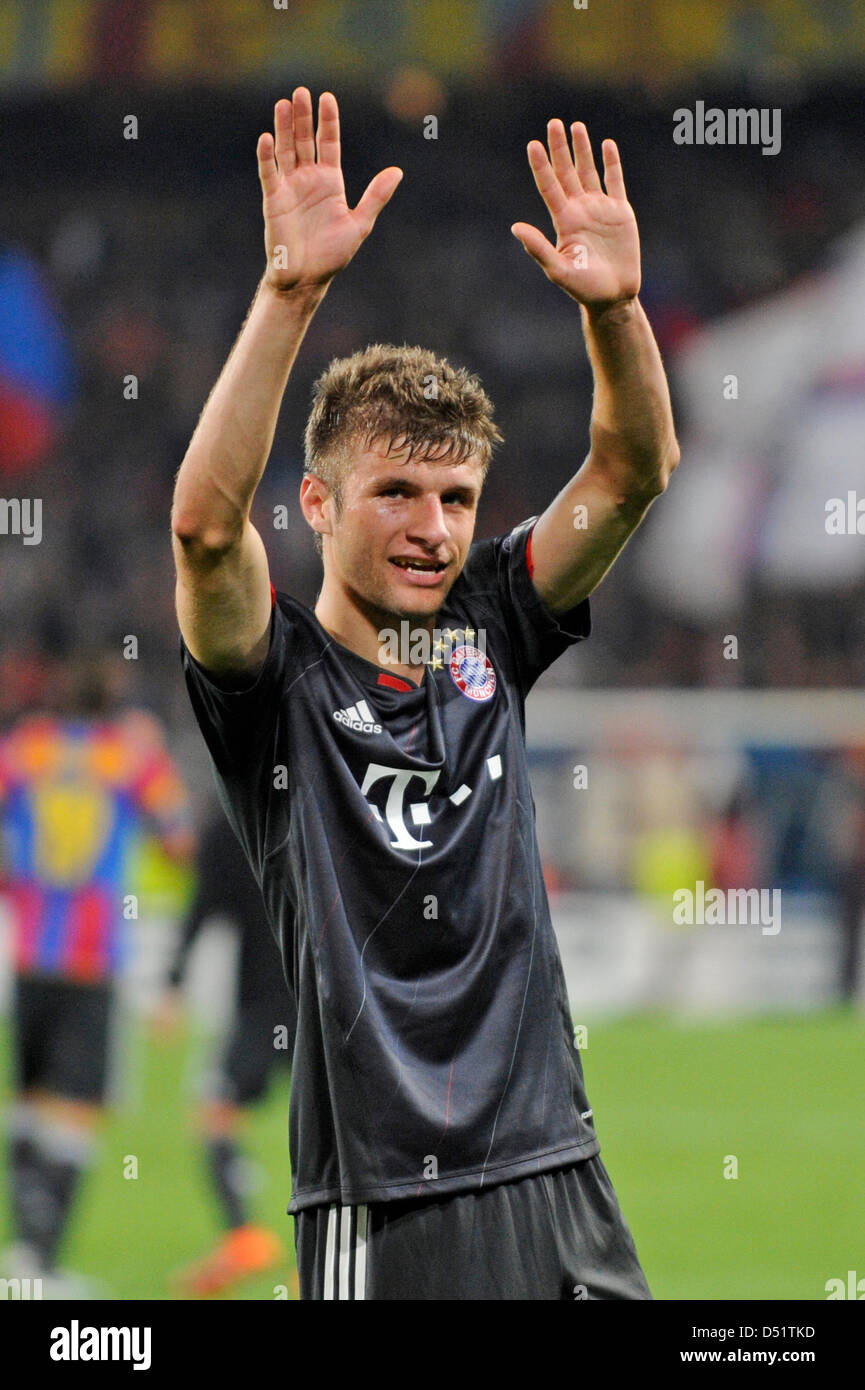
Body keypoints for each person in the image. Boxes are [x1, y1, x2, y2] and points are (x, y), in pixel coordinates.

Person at [171, 88, 679, 1300]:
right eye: (396, 490)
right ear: (320, 502)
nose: (433, 527)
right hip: (385, 1208)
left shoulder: (491, 629)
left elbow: (635, 466)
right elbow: (201, 529)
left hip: (559, 1173)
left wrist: (613, 312)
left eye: (456, 499)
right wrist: (288, 296)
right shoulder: (273, 684)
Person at [0, 654, 194, 1296]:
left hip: (29, 955)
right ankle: (39, 1262)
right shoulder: (129, 759)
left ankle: (23, 1253)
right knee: (76, 1112)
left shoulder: (24, 750)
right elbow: (178, 838)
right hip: (91, 959)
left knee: (29, 1105)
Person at [157, 805, 297, 1296]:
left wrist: (172, 983)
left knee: (215, 1112)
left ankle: (245, 1236)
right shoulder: (324, 803)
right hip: (326, 1002)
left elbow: (203, 905)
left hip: (264, 1005)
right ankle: (322, 1251)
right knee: (335, 1128)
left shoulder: (229, 819)